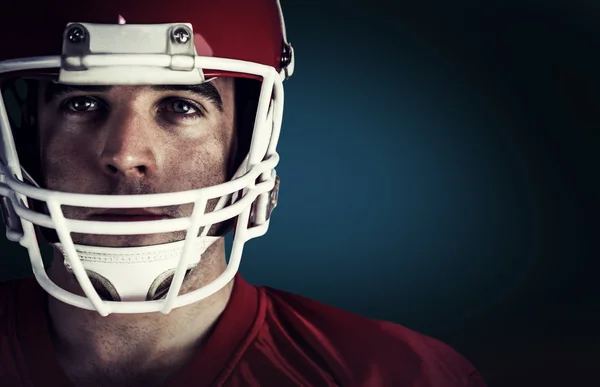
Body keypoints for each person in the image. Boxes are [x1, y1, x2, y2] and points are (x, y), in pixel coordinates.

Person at [0, 1, 488, 386]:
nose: (125, 154)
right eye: (82, 103)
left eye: (180, 106)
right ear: (28, 138)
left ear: (247, 140)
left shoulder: (395, 376)